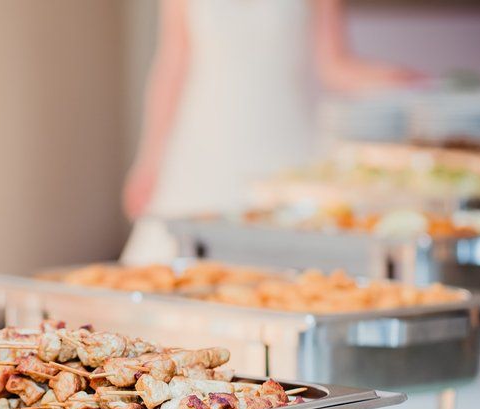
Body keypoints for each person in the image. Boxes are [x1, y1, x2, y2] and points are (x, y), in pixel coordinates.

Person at [122, 0, 421, 262]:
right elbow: (172, 66)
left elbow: (335, 65)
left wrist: (404, 82)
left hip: (286, 148)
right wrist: (148, 161)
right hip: (203, 147)